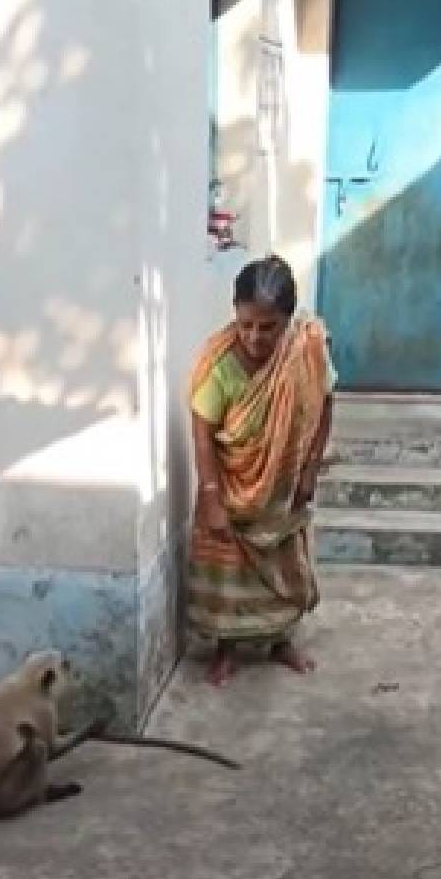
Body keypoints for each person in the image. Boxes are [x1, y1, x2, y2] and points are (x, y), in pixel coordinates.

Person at [187, 254, 336, 686]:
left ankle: (280, 641)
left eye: (267, 327)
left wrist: (310, 468)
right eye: (245, 324)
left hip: (284, 486)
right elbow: (202, 432)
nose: (254, 337)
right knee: (229, 568)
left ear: (287, 320)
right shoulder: (220, 364)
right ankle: (226, 648)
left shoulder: (305, 350)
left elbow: (326, 402)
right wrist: (212, 495)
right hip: (232, 484)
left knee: (283, 562)